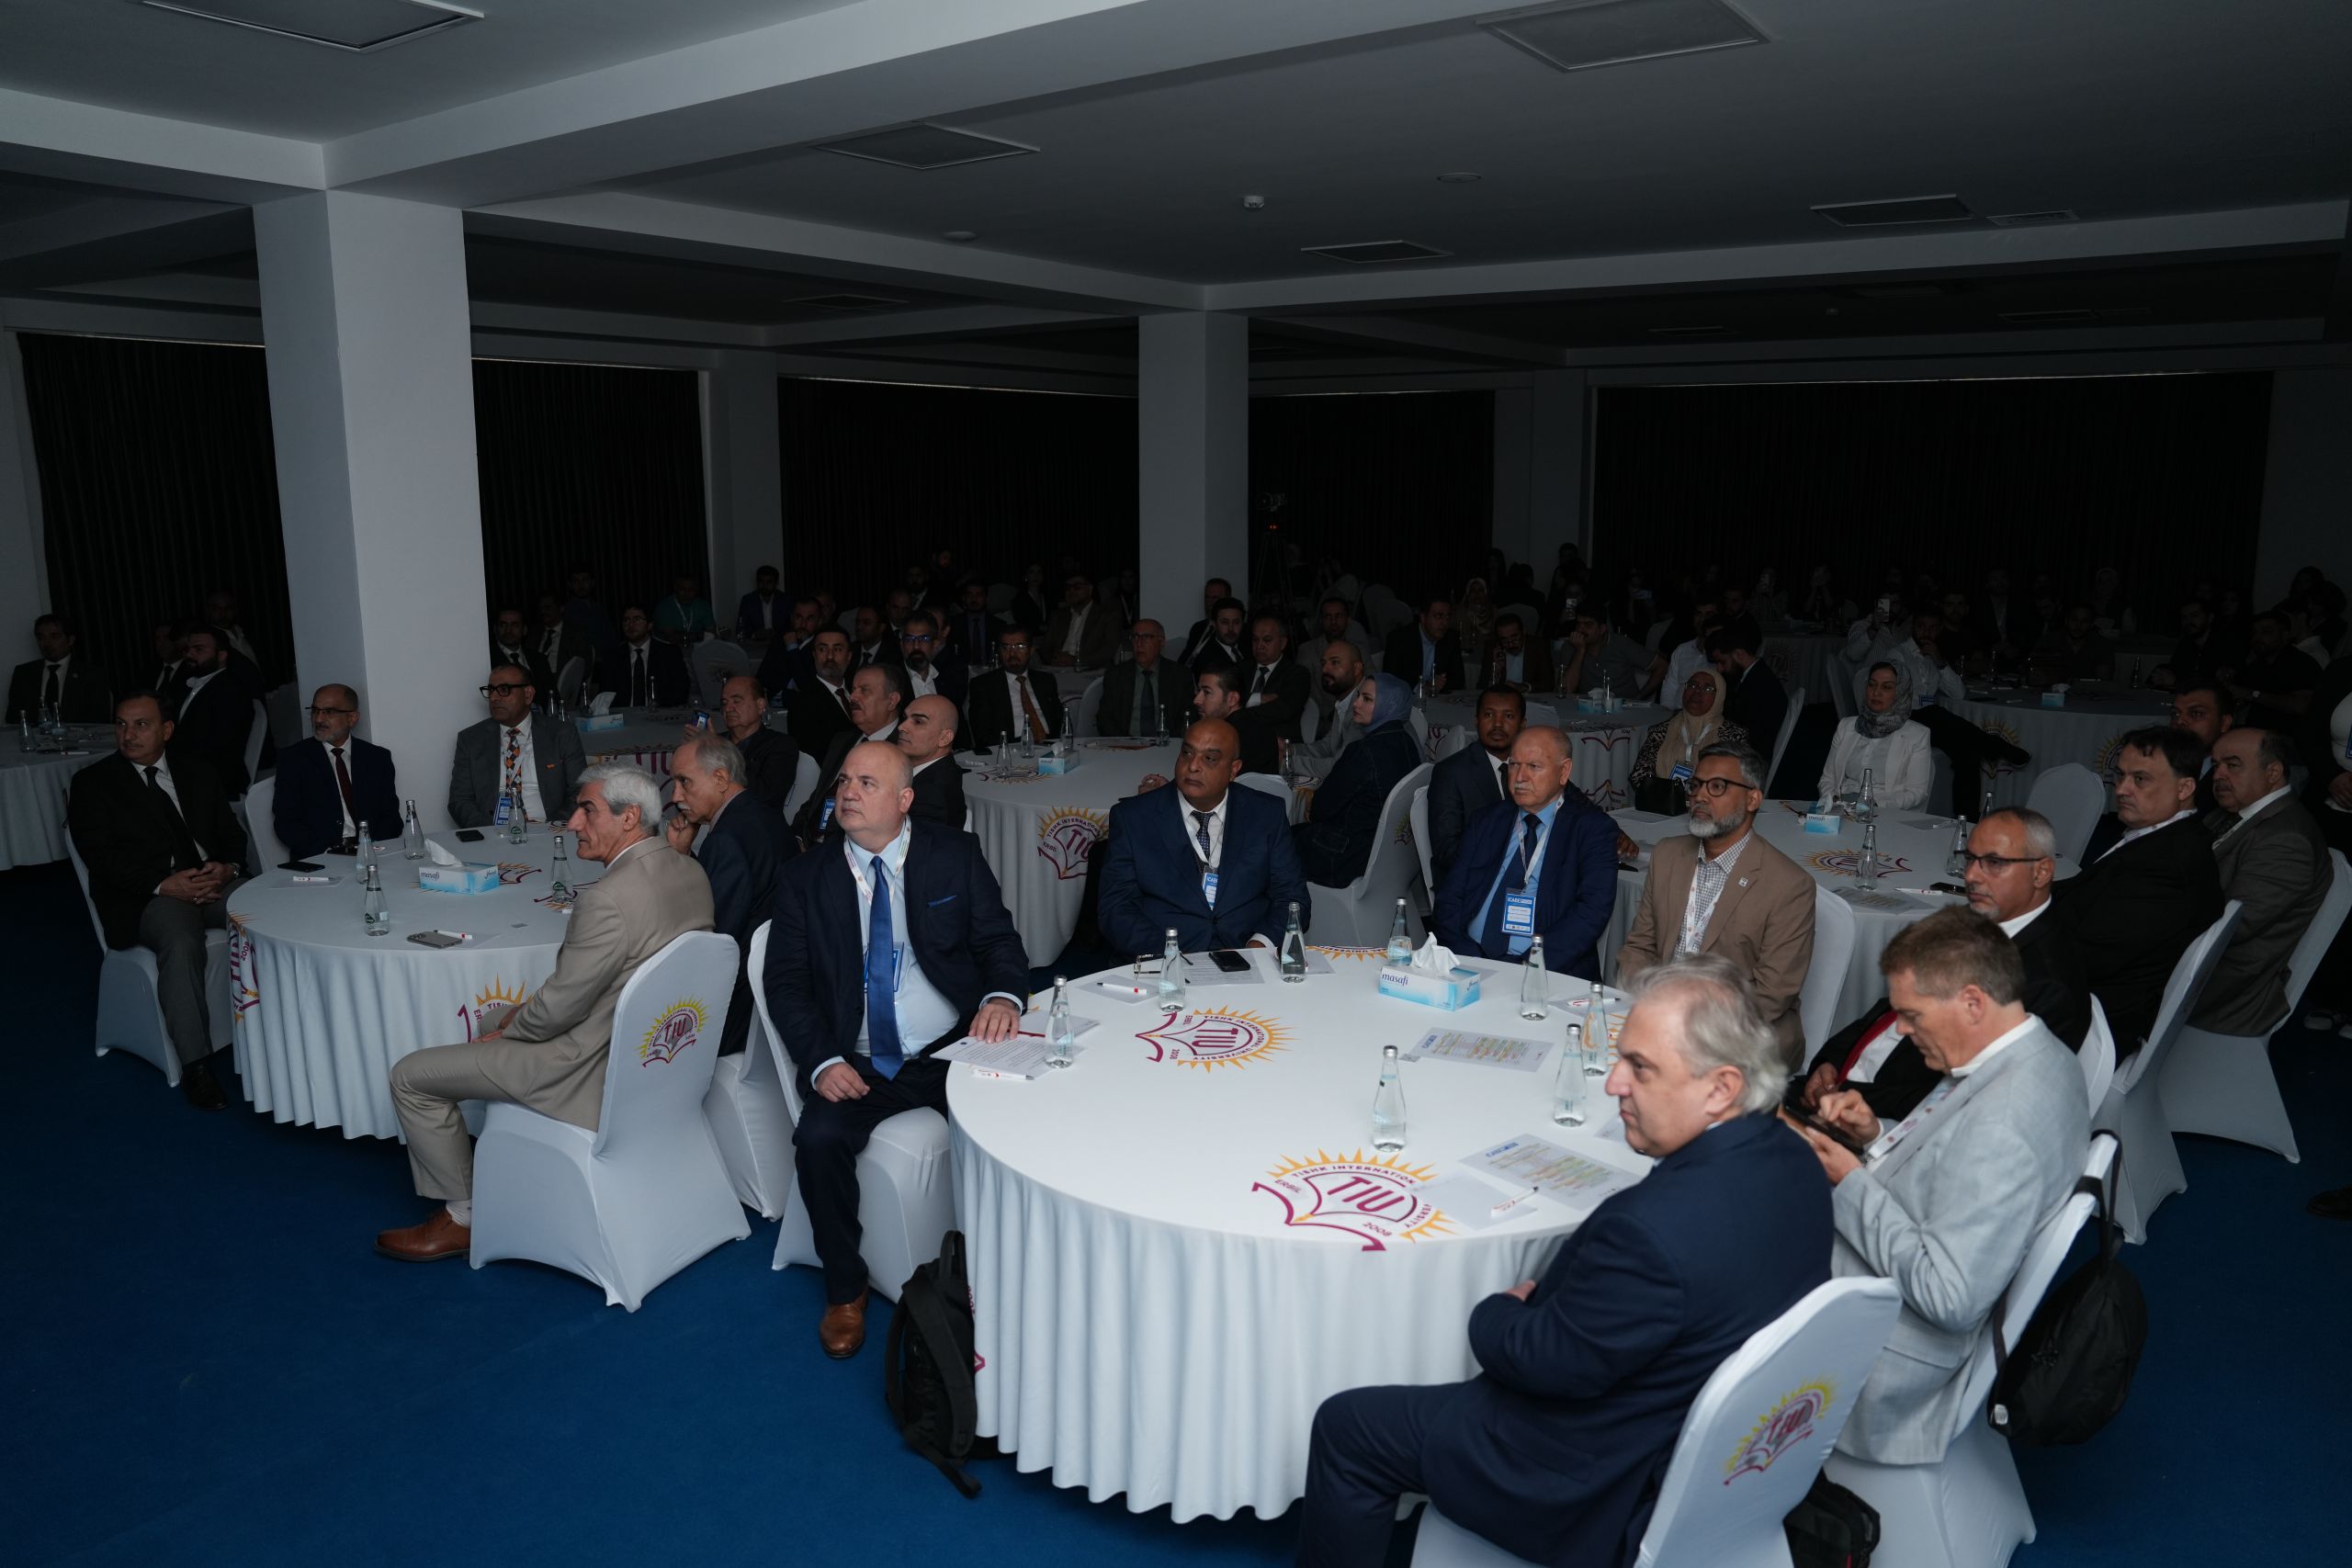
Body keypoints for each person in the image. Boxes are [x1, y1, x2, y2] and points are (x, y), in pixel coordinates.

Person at [1296, 957, 1829, 1568]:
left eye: (1641, 1068)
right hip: (1725, 1467)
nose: (1614, 1084)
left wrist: (1497, 1313)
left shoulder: (1651, 1232)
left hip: (1588, 1482)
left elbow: (1545, 1362)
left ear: (1721, 1088)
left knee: (1347, 1427)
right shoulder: (1797, 1161)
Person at [378, 764, 716, 1262]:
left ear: (628, 819)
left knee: (411, 1075)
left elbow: (559, 1008)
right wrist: (511, 1021)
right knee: (494, 1019)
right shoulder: (690, 871)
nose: (573, 823)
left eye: (587, 811)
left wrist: (514, 1029)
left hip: (586, 1069)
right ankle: (507, 1160)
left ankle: (463, 1216)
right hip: (658, 1062)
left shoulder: (607, 899)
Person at [1794, 908, 2088, 1466]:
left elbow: (1949, 1297)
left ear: (1973, 1001)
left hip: (1887, 1354)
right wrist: (1876, 1134)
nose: (1902, 1031)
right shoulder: (2036, 1052)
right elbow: (1950, 1164)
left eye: (1911, 1015)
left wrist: (1851, 1182)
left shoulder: (2003, 1126)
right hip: (1894, 1277)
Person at [764, 741, 1028, 1354]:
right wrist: (822, 1060)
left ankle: (1013, 1260)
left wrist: (1001, 998)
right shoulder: (806, 877)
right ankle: (845, 1288)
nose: (848, 792)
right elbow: (786, 984)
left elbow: (998, 941)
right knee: (817, 1140)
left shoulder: (953, 854)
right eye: (843, 781)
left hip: (953, 1044)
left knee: (1030, 1112)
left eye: (867, 782)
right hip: (859, 1057)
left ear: (905, 799)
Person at [1803, 807, 2091, 1122]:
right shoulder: (1972, 921)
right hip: (1845, 1088)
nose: (1971, 876)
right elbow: (1889, 1010)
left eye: (1993, 863)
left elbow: (1966, 1098)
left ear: (2041, 872)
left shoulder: (2048, 985)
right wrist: (1831, 1060)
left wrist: (1847, 1095)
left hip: (1883, 1123)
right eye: (1970, 859)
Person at [67, 694, 248, 1110]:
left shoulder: (197, 770)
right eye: (121, 724)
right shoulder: (93, 783)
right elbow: (102, 858)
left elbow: (232, 834)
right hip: (146, 896)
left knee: (267, 913)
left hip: (209, 880)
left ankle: (281, 1028)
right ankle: (196, 1066)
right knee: (181, 940)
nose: (128, 734)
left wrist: (228, 869)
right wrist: (164, 885)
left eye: (141, 724)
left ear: (166, 730)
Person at [1618, 740, 1815, 1061]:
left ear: (1752, 799)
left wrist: (1689, 1028)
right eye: (1696, 785)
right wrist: (1646, 1007)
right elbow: (1639, 947)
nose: (1700, 796)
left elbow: (1772, 994)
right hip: (1660, 1017)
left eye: (1718, 787)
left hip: (1738, 1034)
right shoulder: (1668, 854)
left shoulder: (1789, 885)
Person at [2053, 727, 2224, 1053]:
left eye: (2141, 779)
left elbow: (2086, 958)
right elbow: (2088, 893)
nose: (2122, 789)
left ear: (2185, 788)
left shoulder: (2168, 866)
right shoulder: (2168, 836)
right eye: (2121, 775)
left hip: (2086, 1018)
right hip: (2087, 989)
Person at [1100, 717, 1313, 954]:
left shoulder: (1266, 814)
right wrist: (1170, 955)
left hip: (1247, 954)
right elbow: (1116, 908)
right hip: (1164, 959)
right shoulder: (1133, 818)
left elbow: (1292, 899)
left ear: (1234, 769)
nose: (1193, 766)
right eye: (1187, 753)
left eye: (1209, 758)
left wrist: (1258, 947)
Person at [1433, 727, 1617, 976]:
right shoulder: (1487, 821)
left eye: (1534, 766)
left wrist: (1527, 968)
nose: (1520, 777)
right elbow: (1449, 898)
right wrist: (1469, 959)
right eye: (1514, 765)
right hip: (1470, 962)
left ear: (1564, 772)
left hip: (1545, 972)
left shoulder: (1591, 830)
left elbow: (1591, 913)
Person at [664, 732, 796, 1057]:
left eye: (684, 782)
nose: (676, 795)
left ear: (721, 779)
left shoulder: (727, 838)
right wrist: (683, 853)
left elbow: (713, 936)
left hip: (740, 1004)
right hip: (777, 980)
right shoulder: (763, 813)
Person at [2192, 728, 2329, 1035]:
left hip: (2220, 987)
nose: (2218, 775)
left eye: (2233, 765)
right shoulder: (2231, 813)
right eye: (2216, 765)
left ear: (2273, 773)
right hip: (2195, 956)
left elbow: (2230, 929)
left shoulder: (2287, 840)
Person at [1293, 673, 1420, 888]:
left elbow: (1320, 810)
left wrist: (1312, 807)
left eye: (1367, 699)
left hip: (1347, 858)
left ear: (1389, 705)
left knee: (1276, 840)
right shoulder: (1408, 742)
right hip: (1391, 854)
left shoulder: (1363, 751)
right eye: (1358, 695)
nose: (1356, 703)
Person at [447, 663, 587, 829]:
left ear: (528, 694)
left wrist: (550, 827)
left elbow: (581, 792)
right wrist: (490, 832)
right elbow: (459, 800)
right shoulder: (471, 740)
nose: (494, 698)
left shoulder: (561, 734)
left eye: (504, 689)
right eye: (491, 690)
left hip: (549, 829)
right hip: (493, 832)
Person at [272, 683, 401, 861]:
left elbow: (391, 817)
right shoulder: (294, 759)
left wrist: (373, 849)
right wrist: (326, 852)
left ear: (352, 718)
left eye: (329, 712)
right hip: (320, 857)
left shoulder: (377, 758)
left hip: (372, 853)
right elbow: (286, 822)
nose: (318, 719)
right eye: (315, 711)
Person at [796, 662, 909, 843]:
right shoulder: (842, 740)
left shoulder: (904, 750)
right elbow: (818, 797)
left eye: (864, 690)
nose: (853, 697)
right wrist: (798, 836)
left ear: (892, 701)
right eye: (853, 689)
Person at [1426, 687, 1524, 885]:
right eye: (1489, 715)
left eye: (1508, 716)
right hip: (1471, 884)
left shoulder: (1531, 765)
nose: (1498, 724)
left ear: (1523, 724)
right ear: (1476, 720)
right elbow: (1447, 851)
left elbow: (1574, 805)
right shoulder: (1451, 773)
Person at [1631, 668, 1750, 813]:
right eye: (1692, 685)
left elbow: (1739, 780)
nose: (1697, 691)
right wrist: (1672, 796)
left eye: (1707, 688)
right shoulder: (1660, 731)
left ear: (1719, 696)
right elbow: (1639, 776)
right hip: (1664, 809)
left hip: (1712, 812)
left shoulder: (1733, 735)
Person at [1819, 661, 1932, 809]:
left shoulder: (1917, 735)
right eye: (1872, 685)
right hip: (1841, 807)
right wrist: (1834, 802)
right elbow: (1828, 778)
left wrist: (1872, 806)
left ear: (1901, 692)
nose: (1876, 692)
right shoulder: (1846, 726)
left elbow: (1916, 792)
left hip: (1883, 811)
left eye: (1887, 687)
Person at [166, 625, 255, 796]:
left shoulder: (231, 691)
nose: (189, 654)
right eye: (187, 649)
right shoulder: (185, 684)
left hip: (214, 779)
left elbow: (219, 747)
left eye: (198, 649)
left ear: (221, 655)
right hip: (189, 769)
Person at [2220, 610, 2323, 733]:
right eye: (2254, 633)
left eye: (2266, 632)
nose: (2257, 638)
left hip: (2288, 737)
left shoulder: (2301, 663)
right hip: (2256, 733)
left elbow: (2301, 705)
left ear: (2284, 635)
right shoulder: (2257, 665)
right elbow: (2243, 697)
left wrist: (2252, 694)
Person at [965, 626, 1061, 752]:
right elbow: (982, 734)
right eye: (1006, 648)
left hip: (1051, 745)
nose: (1012, 654)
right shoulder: (983, 685)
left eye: (1019, 647)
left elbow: (1059, 721)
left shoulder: (1045, 680)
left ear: (1031, 650)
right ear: (999, 651)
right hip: (1010, 747)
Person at [713, 673, 799, 810]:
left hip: (755, 820)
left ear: (760, 705)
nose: (728, 708)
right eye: (724, 703)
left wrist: (718, 754)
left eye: (736, 701)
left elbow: (767, 795)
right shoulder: (715, 741)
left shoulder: (780, 745)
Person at [8, 613, 111, 724]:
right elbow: (13, 718)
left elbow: (99, 719)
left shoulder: (91, 674)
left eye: (54, 637)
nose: (47, 644)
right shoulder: (23, 673)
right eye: (41, 638)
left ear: (70, 640)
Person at [1097, 619, 1188, 739]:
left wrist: (1169, 743)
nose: (1139, 643)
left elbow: (1188, 717)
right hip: (1125, 744)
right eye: (1135, 637)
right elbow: (1104, 719)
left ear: (1161, 642)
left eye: (1146, 637)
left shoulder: (1179, 675)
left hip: (1167, 744)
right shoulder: (1116, 675)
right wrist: (1127, 743)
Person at [1557, 600, 1663, 701]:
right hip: (1587, 708)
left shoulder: (1622, 644)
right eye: (1578, 624)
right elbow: (1566, 691)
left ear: (1602, 629)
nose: (1580, 629)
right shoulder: (1570, 646)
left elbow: (1662, 666)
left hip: (1625, 707)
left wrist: (1640, 698)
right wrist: (1580, 651)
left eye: (1588, 625)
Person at [1286, 640, 1367, 769]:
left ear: (1356, 668)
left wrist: (1286, 763)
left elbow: (1342, 766)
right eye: (1323, 663)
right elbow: (1328, 747)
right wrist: (1289, 750)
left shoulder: (1365, 704)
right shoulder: (1344, 700)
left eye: (1335, 662)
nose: (1324, 669)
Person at [1191, 664, 1282, 776]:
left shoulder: (1229, 736)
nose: (1197, 700)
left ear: (1232, 699)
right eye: (1198, 690)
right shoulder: (1252, 724)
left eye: (1207, 692)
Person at [1710, 624, 1789, 752]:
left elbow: (1749, 736)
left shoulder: (1760, 687)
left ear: (1739, 654)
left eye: (1722, 662)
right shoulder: (1756, 675)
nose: (1719, 669)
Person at [895, 694, 969, 829]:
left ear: (945, 738)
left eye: (918, 722)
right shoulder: (942, 772)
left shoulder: (930, 795)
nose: (902, 727)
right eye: (905, 718)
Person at [1297, 596, 1374, 723]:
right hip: (1322, 719)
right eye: (1328, 616)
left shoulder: (1359, 649)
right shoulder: (1307, 651)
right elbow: (1303, 691)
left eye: (1338, 616)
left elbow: (1372, 680)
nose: (1333, 621)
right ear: (1321, 620)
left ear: (1348, 619)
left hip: (1357, 713)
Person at [786, 628, 858, 759]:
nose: (830, 657)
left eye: (837, 649)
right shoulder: (803, 702)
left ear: (849, 657)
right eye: (823, 649)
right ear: (814, 655)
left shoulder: (859, 689)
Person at [1239, 614, 1313, 739]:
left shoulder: (1297, 674)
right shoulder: (1241, 669)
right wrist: (1258, 698)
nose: (1259, 646)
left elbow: (1284, 710)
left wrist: (1239, 713)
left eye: (1267, 640)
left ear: (1283, 643)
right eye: (1255, 640)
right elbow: (1225, 698)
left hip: (1278, 742)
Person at [605, 605, 688, 708]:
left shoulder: (669, 653)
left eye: (637, 619)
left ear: (649, 625)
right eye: (626, 620)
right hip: (623, 714)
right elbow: (605, 695)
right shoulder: (613, 656)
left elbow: (681, 690)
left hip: (659, 713)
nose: (630, 625)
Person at [2171, 680, 2234, 812]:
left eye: (2196, 714)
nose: (2180, 721)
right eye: (2175, 714)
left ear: (2224, 723)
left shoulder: (2233, 780)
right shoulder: (2159, 761)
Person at [1381, 593, 1464, 694]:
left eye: (1447, 617)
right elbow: (1390, 680)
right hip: (1408, 699)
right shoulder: (1399, 639)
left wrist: (1437, 686)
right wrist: (1422, 688)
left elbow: (1458, 680)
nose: (1445, 622)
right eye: (1438, 616)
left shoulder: (1451, 638)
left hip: (1438, 699)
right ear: (1423, 618)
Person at [2151, 596, 2237, 692]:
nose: (2188, 621)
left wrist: (2176, 682)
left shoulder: (2225, 645)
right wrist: (2162, 677)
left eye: (2194, 616)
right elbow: (2176, 670)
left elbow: (2219, 686)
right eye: (2184, 617)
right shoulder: (2185, 644)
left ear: (2210, 618)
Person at [1042, 570, 1120, 670]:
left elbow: (1108, 649)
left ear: (1090, 589)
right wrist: (1054, 659)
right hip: (1058, 669)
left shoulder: (1106, 615)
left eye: (1077, 587)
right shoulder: (1057, 616)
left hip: (1090, 670)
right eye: (1067, 587)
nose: (1071, 591)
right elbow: (1045, 647)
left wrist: (1076, 661)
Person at [896, 610, 967, 710]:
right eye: (909, 639)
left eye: (924, 639)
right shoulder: (893, 681)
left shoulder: (949, 679)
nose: (916, 646)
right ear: (902, 645)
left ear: (935, 644)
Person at [754, 595, 824, 695]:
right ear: (792, 618)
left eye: (810, 619)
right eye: (798, 617)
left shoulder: (821, 647)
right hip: (772, 701)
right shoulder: (780, 640)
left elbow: (805, 685)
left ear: (819, 621)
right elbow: (761, 678)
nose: (803, 624)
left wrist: (792, 648)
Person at [1659, 589, 1722, 701]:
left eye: (1708, 614)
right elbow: (1670, 686)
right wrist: (1667, 709)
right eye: (1698, 614)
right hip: (1675, 710)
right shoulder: (1682, 650)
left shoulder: (1722, 654)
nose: (1702, 619)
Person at [532, 593, 594, 700]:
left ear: (561, 609)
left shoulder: (576, 634)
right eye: (541, 608)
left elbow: (585, 667)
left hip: (565, 687)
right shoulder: (534, 634)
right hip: (537, 687)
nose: (543, 612)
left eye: (548, 608)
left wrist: (564, 679)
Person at [2032, 604, 2116, 683]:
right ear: (2066, 621)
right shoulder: (2048, 641)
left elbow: (2103, 681)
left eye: (2084, 621)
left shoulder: (2102, 645)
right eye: (2074, 620)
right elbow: (2036, 675)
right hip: (2052, 691)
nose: (2078, 625)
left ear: (2091, 624)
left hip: (2089, 692)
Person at [1479, 612, 1555, 694]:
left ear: (1524, 631)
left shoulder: (1538, 646)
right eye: (1505, 640)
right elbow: (1481, 686)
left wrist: (1523, 687)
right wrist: (1494, 672)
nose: (1510, 644)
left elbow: (1549, 683)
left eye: (1514, 638)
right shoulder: (1492, 648)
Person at [487, 607, 550, 694]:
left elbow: (553, 695)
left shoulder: (540, 659)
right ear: (495, 629)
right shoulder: (488, 660)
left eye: (514, 625)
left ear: (524, 630)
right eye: (503, 625)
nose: (508, 630)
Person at [1174, 577, 1235, 667]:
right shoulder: (1198, 627)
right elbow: (1184, 658)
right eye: (1207, 597)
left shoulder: (1230, 630)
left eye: (1215, 598)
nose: (1209, 602)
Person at [944, 580, 1001, 672]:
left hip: (991, 672)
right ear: (963, 598)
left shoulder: (998, 625)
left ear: (986, 598)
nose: (974, 599)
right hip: (961, 673)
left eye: (979, 595)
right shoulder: (953, 624)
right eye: (970, 595)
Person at [1190, 595, 1249, 675]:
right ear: (1214, 624)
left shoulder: (1249, 647)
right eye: (1225, 622)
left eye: (1236, 622)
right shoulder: (1207, 660)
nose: (1231, 628)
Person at [652, 574, 717, 645]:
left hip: (699, 646)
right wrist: (699, 635)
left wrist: (686, 636)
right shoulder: (664, 607)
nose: (687, 594)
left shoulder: (703, 605)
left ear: (696, 590)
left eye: (691, 590)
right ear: (676, 588)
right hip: (670, 646)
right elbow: (670, 637)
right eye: (682, 589)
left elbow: (711, 633)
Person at [735, 565, 786, 644]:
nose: (764, 585)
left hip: (781, 644)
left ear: (776, 583)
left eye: (769, 582)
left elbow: (791, 627)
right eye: (761, 581)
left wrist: (777, 634)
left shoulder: (785, 600)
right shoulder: (748, 600)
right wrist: (755, 635)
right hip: (756, 645)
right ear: (757, 582)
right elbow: (740, 630)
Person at [849, 605, 898, 669]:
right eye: (858, 622)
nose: (859, 627)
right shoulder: (850, 650)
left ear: (881, 628)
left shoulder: (894, 654)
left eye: (866, 623)